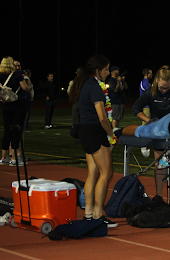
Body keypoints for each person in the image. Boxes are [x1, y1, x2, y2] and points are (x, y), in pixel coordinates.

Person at [69, 55, 118, 228]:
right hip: (94, 131)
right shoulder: (95, 87)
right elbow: (102, 117)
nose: (108, 72)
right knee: (106, 173)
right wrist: (111, 135)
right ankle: (98, 215)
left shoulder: (85, 84)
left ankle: (89, 214)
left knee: (93, 174)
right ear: (98, 70)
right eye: (106, 69)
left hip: (85, 131)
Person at [131, 66, 170, 208]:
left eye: (167, 88)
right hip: (157, 132)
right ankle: (158, 197)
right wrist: (149, 121)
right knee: (159, 164)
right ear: (156, 81)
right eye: (162, 88)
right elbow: (135, 109)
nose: (164, 91)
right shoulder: (150, 92)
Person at [0, 57, 29, 166]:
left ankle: (4, 157)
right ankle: (15, 158)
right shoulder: (16, 74)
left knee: (7, 130)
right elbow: (25, 88)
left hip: (5, 104)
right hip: (17, 104)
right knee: (16, 130)